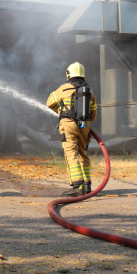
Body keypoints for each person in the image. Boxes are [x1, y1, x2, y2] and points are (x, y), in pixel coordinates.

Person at [46, 62, 97, 196]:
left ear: (68, 74)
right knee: (83, 154)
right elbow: (93, 114)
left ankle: (76, 186)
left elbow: (49, 103)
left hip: (68, 124)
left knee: (71, 153)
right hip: (84, 126)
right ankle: (87, 185)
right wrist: (84, 123)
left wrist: (60, 111)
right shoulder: (89, 91)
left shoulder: (63, 89)